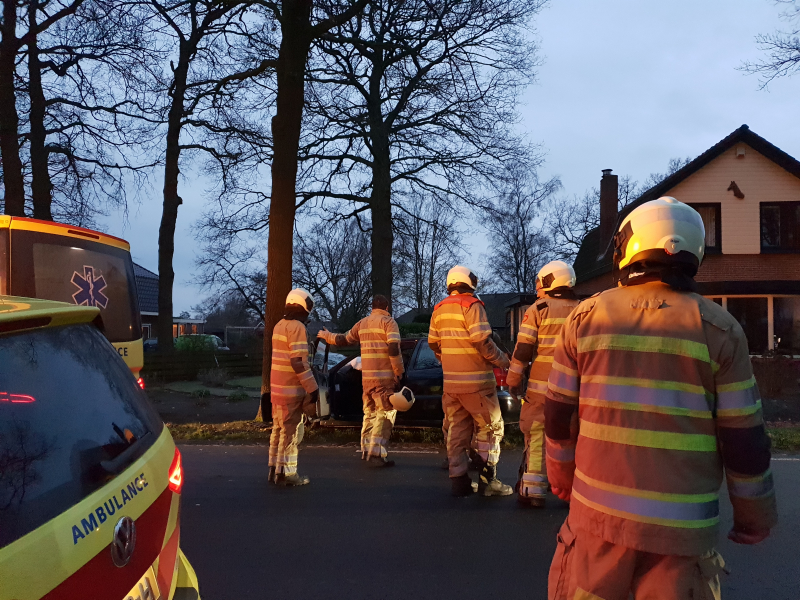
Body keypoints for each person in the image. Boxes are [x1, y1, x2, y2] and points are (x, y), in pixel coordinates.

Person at [545, 197, 778, 599]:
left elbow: (558, 417)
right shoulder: (721, 330)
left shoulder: (585, 319)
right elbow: (744, 440)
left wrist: (561, 479)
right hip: (682, 538)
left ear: (628, 249)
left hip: (598, 523)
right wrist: (754, 516)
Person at [428, 265, 512, 496]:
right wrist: (503, 360)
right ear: (469, 282)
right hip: (477, 386)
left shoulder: (439, 309)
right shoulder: (472, 305)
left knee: (456, 431)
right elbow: (481, 341)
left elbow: (433, 343)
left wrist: (447, 360)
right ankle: (489, 481)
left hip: (452, 386)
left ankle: (459, 481)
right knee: (490, 428)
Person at [507, 260, 579, 508]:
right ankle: (569, 492)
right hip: (574, 388)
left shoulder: (538, 309)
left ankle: (533, 491)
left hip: (541, 389)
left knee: (537, 435)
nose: (537, 288)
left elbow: (523, 349)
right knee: (570, 437)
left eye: (540, 282)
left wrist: (513, 380)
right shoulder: (585, 309)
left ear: (550, 281)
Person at [318, 294, 404, 467]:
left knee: (369, 414)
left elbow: (343, 339)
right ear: (387, 308)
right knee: (384, 415)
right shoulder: (389, 323)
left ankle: (365, 450)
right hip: (384, 380)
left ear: (372, 307)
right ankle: (376, 454)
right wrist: (399, 372)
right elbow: (393, 348)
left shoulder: (362, 324)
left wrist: (327, 336)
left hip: (367, 380)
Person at [268, 288, 319, 487]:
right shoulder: (297, 328)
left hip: (277, 390)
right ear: (303, 306)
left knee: (278, 430)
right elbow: (298, 362)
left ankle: (274, 469)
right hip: (291, 390)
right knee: (291, 433)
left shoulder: (279, 325)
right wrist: (312, 388)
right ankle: (287, 474)